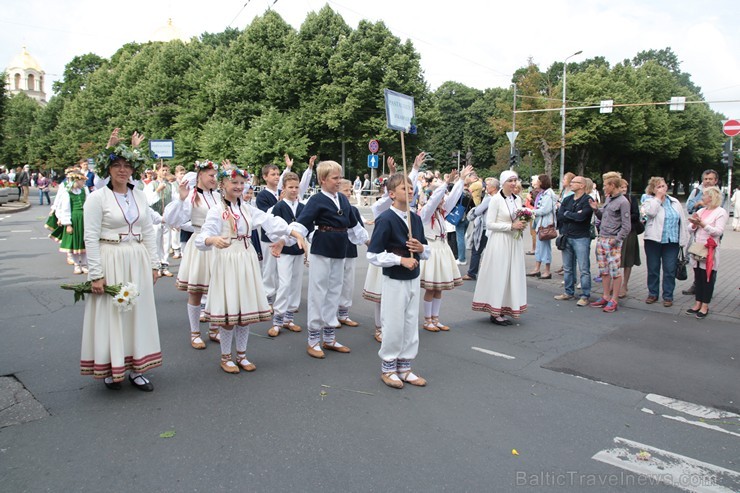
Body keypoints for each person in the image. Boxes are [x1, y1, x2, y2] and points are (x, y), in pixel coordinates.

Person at [196, 167, 306, 373]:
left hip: (246, 260)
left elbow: (270, 222)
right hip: (227, 261)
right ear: (223, 185)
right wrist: (213, 239)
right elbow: (202, 238)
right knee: (230, 312)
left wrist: (293, 232)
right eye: (233, 183)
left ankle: (242, 355)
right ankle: (226, 356)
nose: (238, 187)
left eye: (241, 183)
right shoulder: (216, 210)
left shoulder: (248, 208)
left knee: (244, 312)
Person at [81, 128, 161, 391]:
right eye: (117, 165)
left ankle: (137, 368)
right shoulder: (97, 198)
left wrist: (154, 263)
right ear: (108, 168)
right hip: (111, 257)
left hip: (136, 258)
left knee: (137, 312)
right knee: (112, 314)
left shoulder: (138, 195)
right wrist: (96, 274)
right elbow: (90, 237)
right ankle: (111, 367)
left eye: (127, 165)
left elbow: (148, 231)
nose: (122, 170)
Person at [292, 160, 368, 359]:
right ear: (323, 180)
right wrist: (286, 239)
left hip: (340, 248)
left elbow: (354, 226)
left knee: (335, 290)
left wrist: (370, 242)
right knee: (319, 292)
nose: (339, 181)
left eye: (340, 177)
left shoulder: (342, 200)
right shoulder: (316, 200)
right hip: (322, 248)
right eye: (335, 178)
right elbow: (301, 224)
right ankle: (313, 340)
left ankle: (329, 336)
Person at [367, 172, 430, 389]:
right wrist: (399, 260)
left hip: (413, 277)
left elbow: (426, 249)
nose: (410, 191)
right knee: (393, 323)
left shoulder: (416, 219)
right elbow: (373, 254)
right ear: (392, 194)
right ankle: (388, 368)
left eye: (412, 188)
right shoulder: (386, 219)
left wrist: (421, 249)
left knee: (411, 322)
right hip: (394, 278)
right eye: (405, 188)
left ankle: (405, 367)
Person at [163, 160, 221, 349]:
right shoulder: (191, 196)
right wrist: (180, 199)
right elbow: (172, 220)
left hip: (217, 245)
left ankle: (214, 328)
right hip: (199, 245)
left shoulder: (218, 196)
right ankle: (195, 332)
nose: (214, 179)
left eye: (215, 176)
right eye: (211, 175)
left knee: (217, 290)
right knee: (196, 291)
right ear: (200, 176)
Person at [419, 165, 472, 331]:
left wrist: (461, 180)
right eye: (440, 199)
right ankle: (427, 320)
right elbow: (435, 200)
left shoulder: (441, 212)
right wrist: (444, 185)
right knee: (431, 287)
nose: (443, 202)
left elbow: (453, 199)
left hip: (442, 248)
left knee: (439, 288)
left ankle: (436, 318)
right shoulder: (426, 213)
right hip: (432, 248)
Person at [472, 170, 528, 325]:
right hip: (500, 241)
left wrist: (522, 224)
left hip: (513, 241)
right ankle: (495, 310)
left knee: (512, 273)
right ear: (503, 182)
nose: (513, 183)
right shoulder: (495, 199)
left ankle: (506, 306)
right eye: (510, 180)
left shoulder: (517, 199)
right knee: (499, 273)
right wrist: (510, 226)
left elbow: (519, 216)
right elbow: (489, 224)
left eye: (515, 180)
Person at [268, 172, 306, 337]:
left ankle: (289, 318)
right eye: (290, 187)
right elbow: (277, 229)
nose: (294, 190)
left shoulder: (303, 207)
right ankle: (277, 320)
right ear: (283, 188)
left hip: (298, 250)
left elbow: (305, 228)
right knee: (284, 283)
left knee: (296, 283)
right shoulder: (279, 207)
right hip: (284, 250)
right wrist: (285, 240)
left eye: (296, 187)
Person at [640, 177, 689, 307]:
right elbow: (650, 213)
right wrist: (657, 198)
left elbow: (682, 221)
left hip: (671, 241)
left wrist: (684, 238)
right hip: (653, 240)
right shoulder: (648, 200)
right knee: (653, 268)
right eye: (658, 187)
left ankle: (668, 295)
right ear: (653, 189)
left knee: (669, 269)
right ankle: (653, 293)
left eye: (663, 186)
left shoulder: (674, 202)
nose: (662, 188)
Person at [589, 172, 631, 313]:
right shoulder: (609, 199)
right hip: (602, 238)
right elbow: (604, 217)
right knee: (604, 271)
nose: (604, 188)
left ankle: (614, 299)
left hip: (612, 240)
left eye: (606, 185)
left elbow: (626, 226)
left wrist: (617, 240)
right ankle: (606, 296)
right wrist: (596, 209)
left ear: (613, 186)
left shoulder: (623, 202)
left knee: (615, 271)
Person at [685, 187, 728, 319]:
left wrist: (702, 224)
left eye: (704, 195)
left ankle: (705, 305)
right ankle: (698, 303)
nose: (702, 198)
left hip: (710, 250)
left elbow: (718, 232)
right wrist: (693, 224)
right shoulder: (701, 210)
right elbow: (690, 229)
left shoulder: (720, 212)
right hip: (697, 248)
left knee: (708, 277)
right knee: (698, 276)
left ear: (712, 197)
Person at [554, 175, 593, 306]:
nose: (571, 184)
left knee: (584, 268)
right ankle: (568, 292)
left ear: (582, 185)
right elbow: (560, 215)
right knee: (568, 267)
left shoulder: (588, 200)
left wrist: (568, 214)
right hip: (567, 236)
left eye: (574, 182)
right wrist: (572, 215)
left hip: (581, 237)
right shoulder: (567, 199)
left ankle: (585, 295)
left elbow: (582, 217)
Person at [683, 169, 723, 296]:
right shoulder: (697, 191)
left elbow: (720, 218)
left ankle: (706, 291)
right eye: (705, 179)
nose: (707, 181)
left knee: (710, 264)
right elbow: (689, 207)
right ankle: (697, 286)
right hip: (697, 235)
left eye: (710, 179)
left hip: (711, 236)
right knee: (696, 259)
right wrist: (699, 204)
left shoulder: (720, 194)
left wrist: (703, 223)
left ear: (715, 180)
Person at [336, 178, 367, 327]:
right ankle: (330, 313)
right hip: (334, 250)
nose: (349, 193)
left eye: (350, 190)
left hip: (349, 249)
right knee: (334, 281)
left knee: (348, 282)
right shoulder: (333, 208)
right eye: (345, 190)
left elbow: (360, 230)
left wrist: (369, 243)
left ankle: (344, 313)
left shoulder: (353, 210)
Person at [256, 163, 282, 309]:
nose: (277, 177)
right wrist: (280, 203)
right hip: (268, 237)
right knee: (269, 268)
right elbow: (265, 214)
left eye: (278, 174)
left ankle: (281, 297)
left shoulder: (281, 192)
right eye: (273, 174)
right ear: (265, 177)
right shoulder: (262, 195)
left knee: (282, 269)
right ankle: (267, 298)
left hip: (282, 237)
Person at [463, 177, 500, 281]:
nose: (485, 187)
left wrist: (472, 213)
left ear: (493, 188)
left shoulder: (489, 199)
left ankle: (472, 273)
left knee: (476, 250)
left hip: (484, 228)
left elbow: (478, 211)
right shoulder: (500, 198)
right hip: (494, 228)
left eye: (487, 185)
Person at [144, 161, 174, 277]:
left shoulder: (170, 185)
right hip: (155, 218)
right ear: (157, 171)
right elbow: (147, 201)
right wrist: (158, 191)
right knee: (156, 242)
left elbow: (174, 201)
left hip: (166, 218)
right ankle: (156, 265)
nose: (165, 172)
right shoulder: (151, 185)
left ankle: (164, 264)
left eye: (166, 170)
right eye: (162, 170)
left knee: (166, 243)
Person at [57, 170, 89, 274]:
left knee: (85, 242)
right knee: (75, 242)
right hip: (74, 219)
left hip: (85, 218)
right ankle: (76, 265)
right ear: (76, 180)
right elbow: (65, 208)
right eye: (82, 181)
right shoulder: (68, 192)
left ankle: (84, 264)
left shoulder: (85, 190)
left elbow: (89, 204)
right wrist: (68, 224)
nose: (83, 183)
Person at [527, 174, 557, 279]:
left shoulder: (548, 194)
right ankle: (537, 268)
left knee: (545, 248)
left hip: (545, 225)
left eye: (538, 181)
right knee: (539, 247)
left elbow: (545, 209)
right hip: (540, 224)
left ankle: (547, 270)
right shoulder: (543, 193)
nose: (536, 182)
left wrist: (531, 212)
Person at [618, 179, 643, 299]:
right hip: (615, 231)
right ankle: (615, 282)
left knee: (628, 259)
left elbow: (636, 215)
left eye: (625, 187)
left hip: (629, 232)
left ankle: (624, 285)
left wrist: (623, 216)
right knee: (615, 259)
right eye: (621, 187)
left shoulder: (631, 199)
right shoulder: (612, 199)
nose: (623, 190)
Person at [454, 172, 475, 265]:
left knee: (460, 238)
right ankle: (462, 257)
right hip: (466, 217)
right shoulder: (470, 194)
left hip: (459, 217)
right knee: (463, 237)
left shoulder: (460, 193)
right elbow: (473, 206)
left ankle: (461, 258)